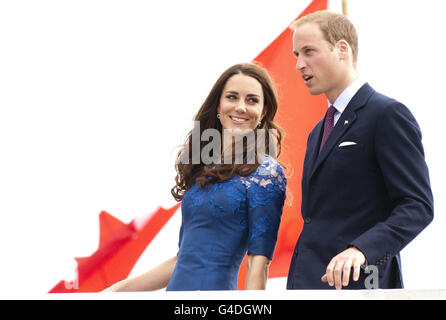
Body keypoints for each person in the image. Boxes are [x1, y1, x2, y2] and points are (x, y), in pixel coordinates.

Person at [104, 63, 287, 291]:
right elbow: (184, 259)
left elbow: (258, 263)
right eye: (232, 97)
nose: (241, 107)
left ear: (264, 111)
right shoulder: (204, 166)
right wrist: (113, 291)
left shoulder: (266, 173)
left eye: (252, 100)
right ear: (219, 106)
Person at [286, 10, 433, 290]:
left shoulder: (387, 114)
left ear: (342, 48)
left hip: (363, 284)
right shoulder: (318, 131)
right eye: (296, 55)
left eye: (308, 51)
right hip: (307, 284)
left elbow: (417, 206)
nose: (299, 64)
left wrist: (363, 250)